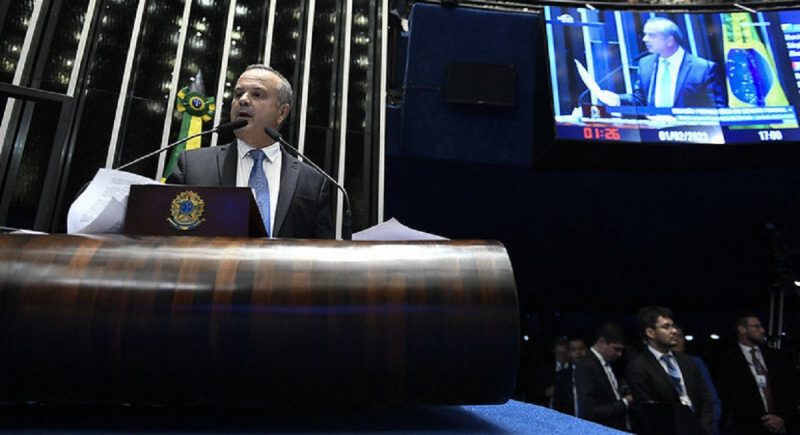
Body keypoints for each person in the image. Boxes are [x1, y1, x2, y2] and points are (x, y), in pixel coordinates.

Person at [167, 64, 334, 239]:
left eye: (257, 94)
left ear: (282, 112)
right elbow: (166, 233)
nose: (244, 100)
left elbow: (322, 249)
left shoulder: (313, 182)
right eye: (238, 94)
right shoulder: (193, 166)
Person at [594, 17, 726, 109]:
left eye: (651, 35)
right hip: (652, 133)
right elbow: (640, 99)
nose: (645, 39)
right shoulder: (645, 64)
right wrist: (617, 99)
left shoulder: (703, 68)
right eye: (645, 34)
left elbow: (717, 109)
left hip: (692, 134)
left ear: (670, 40)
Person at [627, 306, 713, 434]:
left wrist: (702, 429)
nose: (674, 331)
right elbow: (649, 412)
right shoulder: (639, 367)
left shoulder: (688, 362)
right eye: (666, 327)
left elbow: (706, 399)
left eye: (673, 326)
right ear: (650, 332)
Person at [716, 313, 799, 435]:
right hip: (745, 427)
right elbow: (730, 395)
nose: (762, 330)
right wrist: (764, 420)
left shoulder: (778, 357)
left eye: (761, 326)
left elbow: (789, 390)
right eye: (756, 327)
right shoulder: (727, 360)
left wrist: (782, 418)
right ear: (742, 329)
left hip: (780, 425)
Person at [574, 323, 632, 431]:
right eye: (616, 349)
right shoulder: (586, 366)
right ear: (602, 342)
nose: (619, 354)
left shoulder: (609, 363)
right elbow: (589, 410)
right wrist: (625, 402)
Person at [674, 327, 721, 435]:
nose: (676, 340)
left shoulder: (694, 362)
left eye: (679, 336)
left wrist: (708, 428)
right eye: (673, 336)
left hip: (700, 424)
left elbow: (711, 398)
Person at [552, 337, 588, 416]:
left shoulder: (595, 374)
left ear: (586, 350)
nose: (578, 352)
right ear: (568, 353)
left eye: (581, 348)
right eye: (573, 349)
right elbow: (557, 405)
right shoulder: (561, 376)